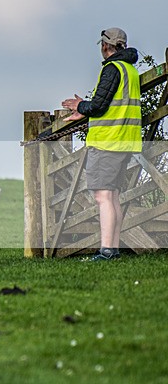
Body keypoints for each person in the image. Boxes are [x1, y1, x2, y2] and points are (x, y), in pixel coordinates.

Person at [62, 27, 141, 261]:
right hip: (126, 140)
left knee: (103, 197)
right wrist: (84, 112)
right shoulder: (130, 70)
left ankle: (107, 251)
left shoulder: (112, 69)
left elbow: (99, 106)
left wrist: (81, 107)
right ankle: (113, 249)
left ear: (106, 46)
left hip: (108, 141)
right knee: (113, 196)